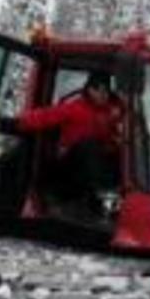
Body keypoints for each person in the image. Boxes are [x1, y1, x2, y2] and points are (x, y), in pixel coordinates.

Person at [16, 71, 123, 216]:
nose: (105, 96)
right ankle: (98, 195)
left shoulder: (110, 113)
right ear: (91, 90)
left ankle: (113, 198)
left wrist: (117, 141)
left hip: (95, 166)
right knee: (88, 146)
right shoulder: (75, 108)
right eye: (101, 91)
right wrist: (21, 121)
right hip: (71, 164)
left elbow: (116, 135)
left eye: (107, 92)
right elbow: (47, 116)